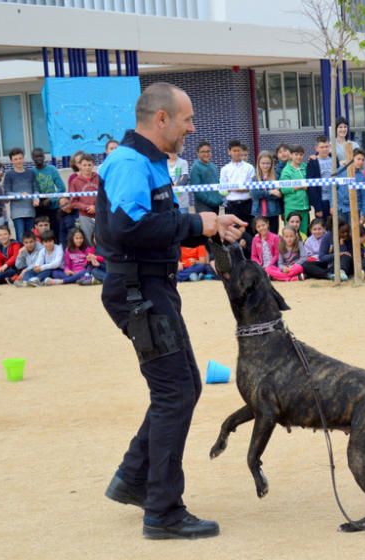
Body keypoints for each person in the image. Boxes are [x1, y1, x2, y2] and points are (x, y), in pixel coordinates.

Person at [97, 82, 244, 539]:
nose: (193, 127)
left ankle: (135, 479)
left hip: (152, 287)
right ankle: (162, 512)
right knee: (175, 393)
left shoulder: (151, 162)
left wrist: (209, 227)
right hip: (138, 290)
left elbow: (158, 225)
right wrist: (193, 223)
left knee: (181, 388)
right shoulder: (127, 162)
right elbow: (129, 228)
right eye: (187, 118)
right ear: (161, 119)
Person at [4, 147, 39, 241]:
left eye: (20, 158)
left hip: (30, 211)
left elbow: (35, 189)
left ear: (23, 158)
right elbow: (7, 193)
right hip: (17, 213)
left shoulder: (31, 173)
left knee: (31, 238)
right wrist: (19, 194)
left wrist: (36, 198)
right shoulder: (9, 175)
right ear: (11, 161)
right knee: (20, 238)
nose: (18, 161)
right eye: (15, 159)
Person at [32, 148, 66, 237]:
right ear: (32, 158)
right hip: (39, 207)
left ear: (44, 157)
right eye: (36, 156)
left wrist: (51, 199)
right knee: (41, 234)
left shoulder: (52, 169)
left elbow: (62, 188)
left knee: (55, 231)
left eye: (40, 156)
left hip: (53, 206)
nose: (38, 158)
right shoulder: (31, 172)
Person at [220, 139, 255, 224]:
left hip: (248, 204)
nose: (237, 153)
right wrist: (235, 189)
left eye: (238, 150)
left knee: (250, 231)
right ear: (229, 152)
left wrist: (231, 188)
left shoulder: (249, 167)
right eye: (234, 151)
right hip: (232, 206)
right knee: (233, 233)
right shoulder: (225, 169)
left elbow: (252, 187)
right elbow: (222, 190)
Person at [68, 153, 99, 243]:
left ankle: (101, 257)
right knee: (88, 240)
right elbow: (73, 201)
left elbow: (104, 196)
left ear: (93, 165)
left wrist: (96, 207)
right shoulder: (75, 182)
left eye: (89, 165)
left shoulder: (99, 178)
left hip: (100, 214)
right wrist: (86, 207)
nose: (87, 167)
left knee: (101, 239)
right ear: (80, 166)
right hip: (85, 215)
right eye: (84, 165)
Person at [279, 145, 310, 233]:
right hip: (292, 207)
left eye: (301, 155)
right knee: (290, 233)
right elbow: (284, 189)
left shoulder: (305, 167)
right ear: (291, 155)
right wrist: (299, 186)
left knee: (303, 234)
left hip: (304, 207)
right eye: (296, 154)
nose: (299, 157)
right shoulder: (286, 171)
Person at [252, 151, 282, 235]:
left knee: (273, 237)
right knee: (260, 238)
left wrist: (262, 193)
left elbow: (278, 195)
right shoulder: (254, 178)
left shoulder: (276, 177)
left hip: (273, 213)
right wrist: (270, 192)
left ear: (272, 164)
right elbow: (254, 194)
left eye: (268, 163)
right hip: (259, 213)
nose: (265, 166)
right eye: (263, 163)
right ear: (258, 163)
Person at [306, 136, 334, 220]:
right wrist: (317, 207)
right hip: (321, 200)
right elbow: (311, 186)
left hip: (334, 199)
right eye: (322, 147)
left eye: (326, 146)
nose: (324, 149)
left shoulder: (334, 159)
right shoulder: (313, 162)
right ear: (316, 148)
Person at [190, 142, 223, 214]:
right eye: (203, 152)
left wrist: (220, 199)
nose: (206, 154)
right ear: (197, 153)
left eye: (208, 151)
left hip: (216, 205)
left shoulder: (213, 166)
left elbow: (218, 184)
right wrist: (210, 201)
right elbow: (197, 190)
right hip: (203, 206)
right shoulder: (195, 168)